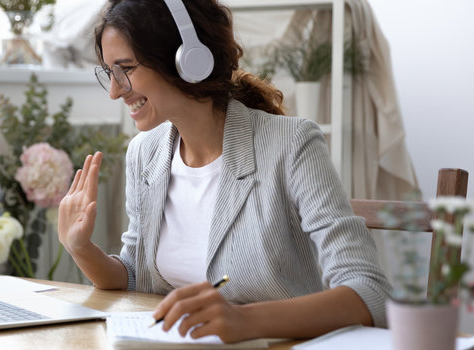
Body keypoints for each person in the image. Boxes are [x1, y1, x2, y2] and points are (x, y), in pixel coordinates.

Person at [57, 0, 391, 343]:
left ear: (186, 59)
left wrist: (244, 320)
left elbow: (369, 292)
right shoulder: (146, 153)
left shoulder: (292, 145)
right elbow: (134, 276)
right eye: (109, 73)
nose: (115, 91)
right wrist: (81, 247)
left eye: (125, 69)